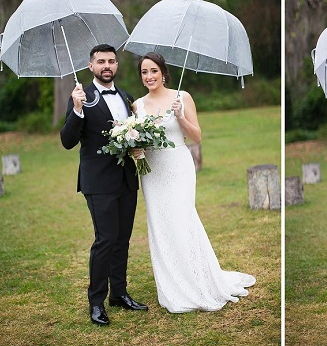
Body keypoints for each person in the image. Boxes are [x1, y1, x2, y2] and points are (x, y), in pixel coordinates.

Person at [131, 52, 256, 313]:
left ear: (163, 72)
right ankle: (172, 285)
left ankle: (198, 281)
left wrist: (180, 117)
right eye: (144, 72)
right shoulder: (137, 106)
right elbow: (137, 140)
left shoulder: (182, 97)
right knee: (161, 224)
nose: (149, 76)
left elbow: (197, 137)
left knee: (182, 219)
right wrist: (136, 150)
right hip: (152, 172)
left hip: (178, 165)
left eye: (153, 70)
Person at [60, 44, 148, 327]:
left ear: (117, 65)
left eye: (111, 61)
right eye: (101, 61)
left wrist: (138, 147)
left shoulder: (126, 96)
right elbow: (67, 141)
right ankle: (96, 301)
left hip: (126, 179)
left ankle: (119, 294)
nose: (106, 65)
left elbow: (133, 135)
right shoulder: (81, 97)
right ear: (91, 66)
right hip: (98, 183)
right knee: (106, 240)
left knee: (122, 239)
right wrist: (76, 108)